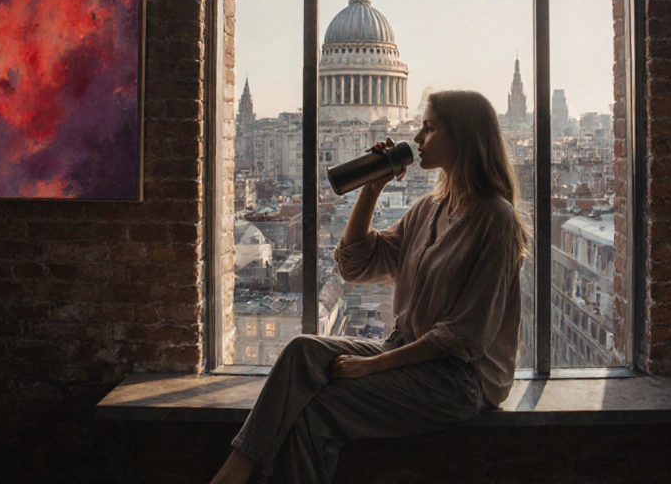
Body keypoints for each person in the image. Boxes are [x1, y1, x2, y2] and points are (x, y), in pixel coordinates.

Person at [208, 90, 529, 484]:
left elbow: (463, 338)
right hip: (409, 353)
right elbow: (356, 265)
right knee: (300, 351)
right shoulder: (429, 208)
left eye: (428, 128)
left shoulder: (495, 218)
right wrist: (371, 189)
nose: (417, 138)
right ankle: (236, 470)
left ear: (462, 137)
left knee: (319, 409)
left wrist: (370, 366)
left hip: (460, 380)